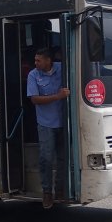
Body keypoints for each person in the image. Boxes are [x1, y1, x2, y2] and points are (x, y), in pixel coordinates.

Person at [27, 47, 70, 209]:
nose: (35, 63)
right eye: (35, 60)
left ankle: (60, 190)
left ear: (48, 60)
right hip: (46, 123)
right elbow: (35, 99)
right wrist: (57, 97)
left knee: (62, 158)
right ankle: (47, 192)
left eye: (39, 60)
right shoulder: (33, 75)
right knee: (46, 158)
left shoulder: (62, 68)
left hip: (64, 122)